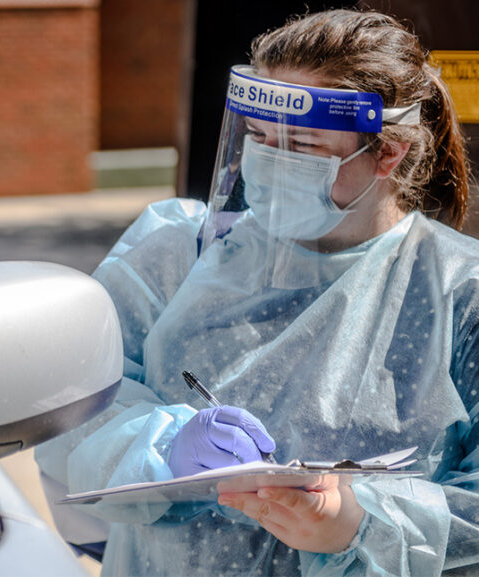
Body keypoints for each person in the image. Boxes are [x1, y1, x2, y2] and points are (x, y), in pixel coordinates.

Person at [35, 9, 479, 576]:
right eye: (261, 138)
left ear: (388, 153)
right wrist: (165, 449)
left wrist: (361, 524)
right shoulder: (180, 250)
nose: (269, 161)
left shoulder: (458, 292)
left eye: (304, 145)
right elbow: (69, 409)